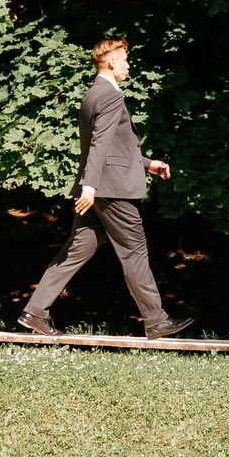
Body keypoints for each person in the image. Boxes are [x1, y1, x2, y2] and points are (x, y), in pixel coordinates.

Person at [18, 38, 193, 339]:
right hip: (110, 191)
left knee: (76, 251)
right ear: (112, 62)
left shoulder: (92, 94)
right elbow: (98, 145)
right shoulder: (111, 96)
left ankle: (35, 311)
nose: (128, 65)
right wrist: (90, 186)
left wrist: (147, 163)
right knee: (134, 250)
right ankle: (156, 320)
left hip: (99, 189)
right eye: (125, 59)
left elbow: (112, 148)